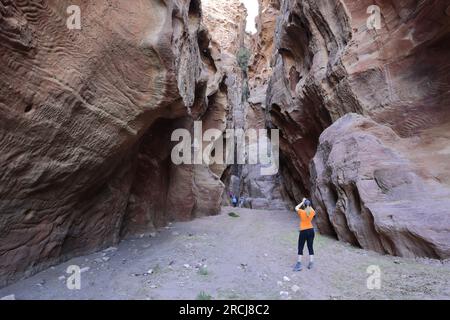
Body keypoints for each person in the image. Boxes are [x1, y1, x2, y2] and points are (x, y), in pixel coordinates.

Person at [293, 198, 316, 271]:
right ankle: (311, 262)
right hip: (311, 230)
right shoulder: (312, 212)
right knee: (310, 246)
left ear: (304, 206)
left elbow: (296, 207)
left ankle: (299, 263)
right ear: (310, 206)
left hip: (303, 231)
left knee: (300, 246)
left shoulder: (302, 212)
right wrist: (307, 203)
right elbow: (310, 209)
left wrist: (302, 202)